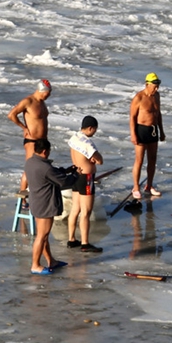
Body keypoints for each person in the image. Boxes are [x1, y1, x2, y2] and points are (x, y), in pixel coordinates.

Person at [24, 139, 78, 275]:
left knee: (44, 236)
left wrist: (64, 170)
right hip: (45, 204)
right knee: (42, 236)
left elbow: (50, 174)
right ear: (45, 151)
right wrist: (76, 175)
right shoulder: (45, 167)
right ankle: (35, 265)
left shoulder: (30, 162)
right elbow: (64, 182)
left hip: (36, 202)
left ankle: (51, 261)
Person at [66, 116, 104, 253]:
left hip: (76, 175)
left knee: (75, 209)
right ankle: (85, 243)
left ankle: (71, 239)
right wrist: (94, 160)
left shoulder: (74, 137)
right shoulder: (88, 143)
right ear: (90, 128)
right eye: (94, 130)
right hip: (87, 178)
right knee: (86, 212)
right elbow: (100, 160)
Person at [8, 79, 51, 192]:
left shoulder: (42, 102)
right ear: (40, 91)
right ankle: (23, 200)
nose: (48, 96)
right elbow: (11, 115)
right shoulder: (28, 101)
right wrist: (24, 127)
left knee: (42, 169)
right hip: (32, 140)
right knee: (30, 169)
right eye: (47, 94)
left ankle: (37, 195)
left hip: (43, 141)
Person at [129, 73, 165, 199]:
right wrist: (133, 134)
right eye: (154, 86)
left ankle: (149, 186)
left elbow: (158, 114)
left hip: (153, 130)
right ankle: (136, 187)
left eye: (158, 86)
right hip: (141, 130)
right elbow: (132, 117)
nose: (156, 89)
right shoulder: (138, 98)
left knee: (152, 159)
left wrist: (162, 131)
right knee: (139, 160)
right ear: (147, 84)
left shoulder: (157, 96)